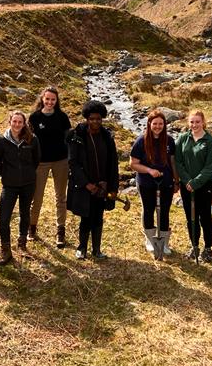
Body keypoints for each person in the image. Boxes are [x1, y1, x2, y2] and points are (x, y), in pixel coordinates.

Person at [66, 99, 119, 260]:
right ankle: (82, 247)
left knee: (98, 216)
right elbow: (73, 163)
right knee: (85, 217)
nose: (95, 121)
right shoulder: (77, 136)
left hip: (102, 185)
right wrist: (86, 184)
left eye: (98, 118)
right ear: (87, 119)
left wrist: (111, 186)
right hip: (84, 185)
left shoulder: (107, 137)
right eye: (92, 118)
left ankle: (97, 249)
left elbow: (113, 163)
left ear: (102, 118)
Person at [0, 110, 41, 264]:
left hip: (28, 184)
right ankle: (5, 250)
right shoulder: (1, 142)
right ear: (10, 122)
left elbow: (36, 160)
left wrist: (27, 173)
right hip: (10, 185)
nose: (17, 124)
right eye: (14, 121)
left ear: (24, 123)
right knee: (4, 217)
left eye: (20, 122)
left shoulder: (32, 140)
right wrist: (7, 174)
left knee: (24, 213)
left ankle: (22, 245)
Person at [130, 109, 178, 258]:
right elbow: (133, 164)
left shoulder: (169, 140)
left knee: (164, 211)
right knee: (149, 209)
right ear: (149, 124)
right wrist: (149, 170)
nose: (158, 126)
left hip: (166, 182)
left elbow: (172, 162)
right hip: (146, 182)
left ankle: (164, 243)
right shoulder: (141, 141)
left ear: (165, 124)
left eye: (161, 123)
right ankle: (150, 240)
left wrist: (176, 180)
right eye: (155, 123)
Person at [28, 86, 72, 247]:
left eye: (53, 99)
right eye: (47, 99)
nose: (50, 102)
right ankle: (32, 227)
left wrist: (71, 157)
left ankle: (60, 230)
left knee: (61, 197)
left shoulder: (62, 117)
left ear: (56, 101)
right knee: (36, 197)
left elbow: (69, 138)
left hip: (60, 161)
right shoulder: (34, 117)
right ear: (42, 99)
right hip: (40, 162)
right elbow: (28, 140)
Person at [175, 110, 212, 262]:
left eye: (197, 122)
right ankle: (194, 246)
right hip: (186, 186)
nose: (194, 125)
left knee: (205, 217)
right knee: (190, 218)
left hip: (204, 186)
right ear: (188, 123)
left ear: (203, 122)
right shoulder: (182, 138)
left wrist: (195, 182)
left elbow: (209, 167)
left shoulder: (210, 141)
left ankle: (207, 248)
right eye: (192, 122)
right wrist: (187, 181)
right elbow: (178, 162)